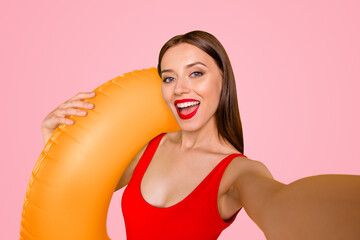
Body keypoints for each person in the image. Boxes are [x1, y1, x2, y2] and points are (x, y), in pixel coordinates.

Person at [40, 30, 360, 240]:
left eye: (196, 73)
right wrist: (53, 142)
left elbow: (279, 203)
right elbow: (76, 193)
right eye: (169, 78)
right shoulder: (148, 149)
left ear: (223, 81)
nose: (180, 89)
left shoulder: (237, 173)